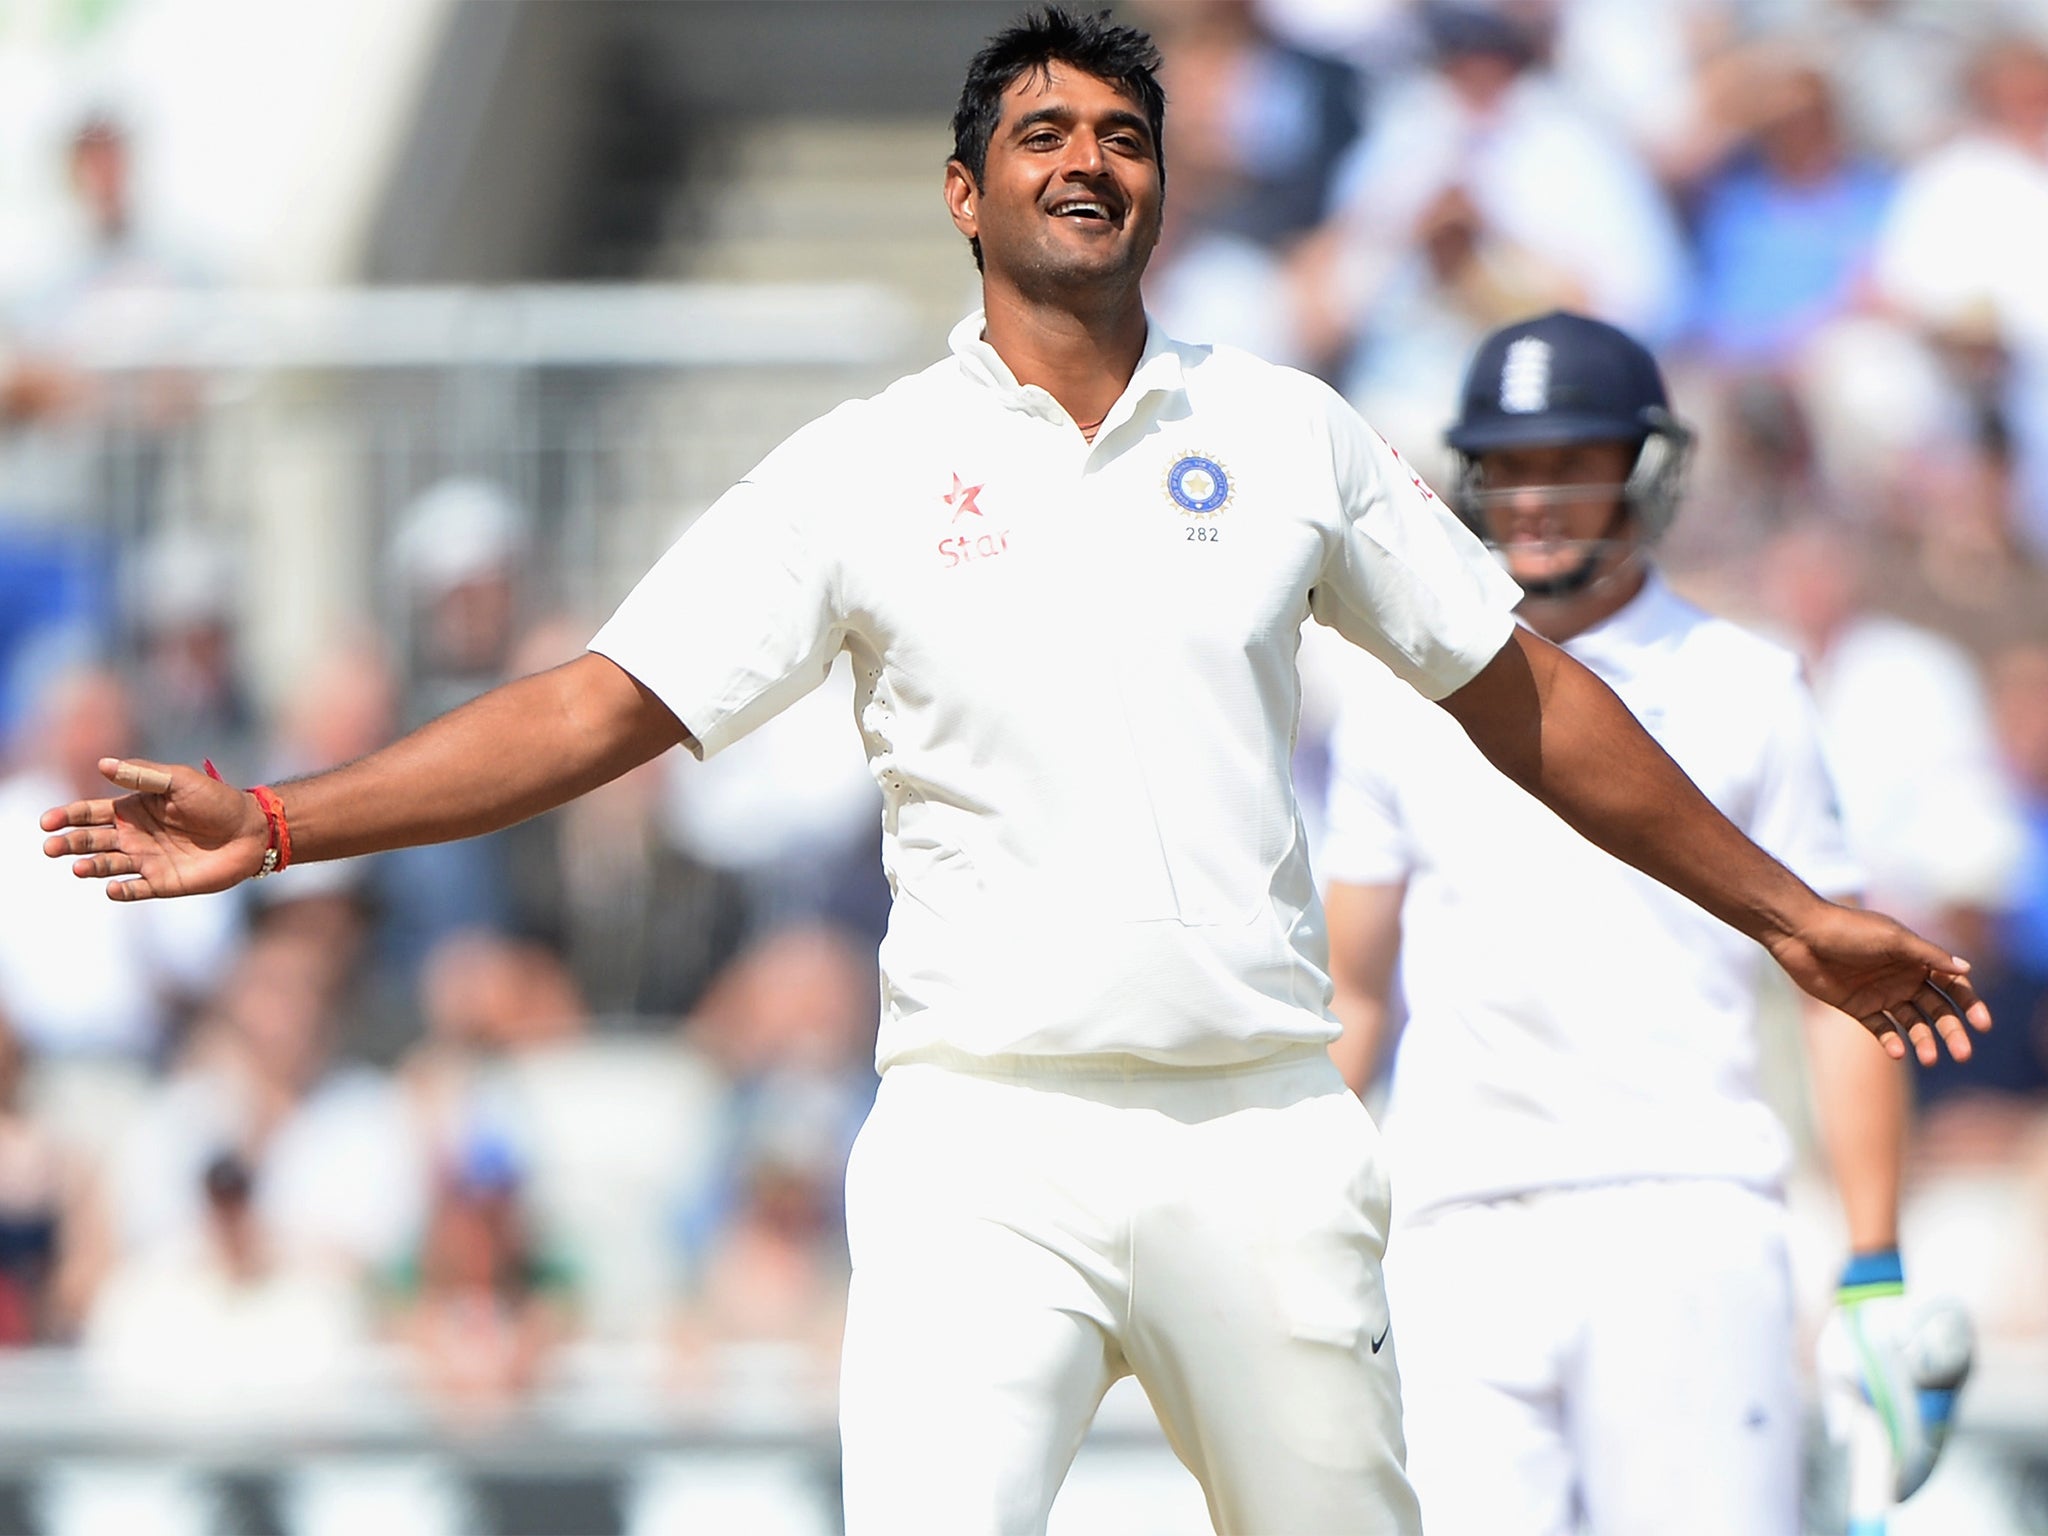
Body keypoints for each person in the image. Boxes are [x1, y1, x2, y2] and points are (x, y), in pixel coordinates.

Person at [37, 12, 1989, 1534]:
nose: (1088, 161)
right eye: (1042, 135)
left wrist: (1788, 915)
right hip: (984, 1131)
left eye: (1123, 137)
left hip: (1254, 1127)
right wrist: (287, 819)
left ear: (1160, 195)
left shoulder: (1290, 435)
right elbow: (601, 702)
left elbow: (1522, 697)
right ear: (962, 196)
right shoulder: (863, 468)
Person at [1319, 311, 1967, 1534]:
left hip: (1685, 1211)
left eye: (1571, 460)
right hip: (1457, 1224)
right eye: (1505, 466)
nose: (1533, 500)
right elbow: (1353, 997)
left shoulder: (1747, 685)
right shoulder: (1392, 703)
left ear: (1645, 470)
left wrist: (1872, 1264)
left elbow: (1834, 986)